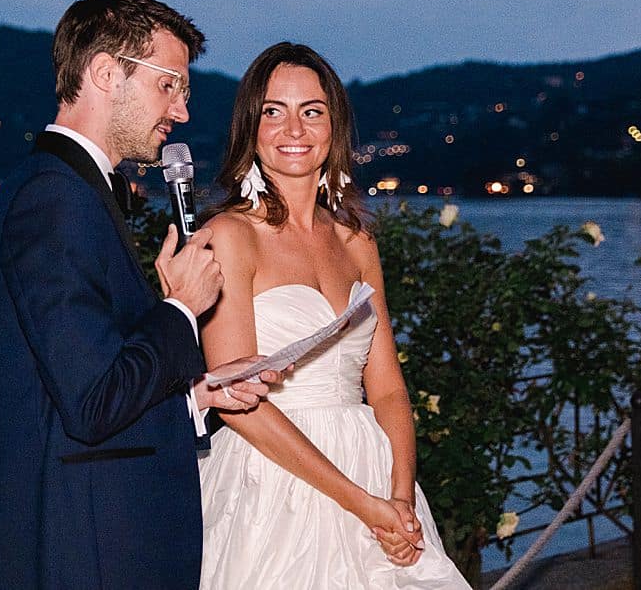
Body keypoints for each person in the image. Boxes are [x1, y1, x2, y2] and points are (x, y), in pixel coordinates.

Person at [0, 0, 282, 590]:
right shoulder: (53, 201)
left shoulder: (73, 194)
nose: (183, 111)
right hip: (78, 552)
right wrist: (179, 309)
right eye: (169, 85)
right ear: (106, 73)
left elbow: (84, 389)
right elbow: (92, 405)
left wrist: (197, 397)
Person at [196, 42, 471, 588]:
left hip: (374, 466)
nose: (293, 129)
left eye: (311, 111)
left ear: (333, 127)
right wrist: (361, 504)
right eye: (273, 111)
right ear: (251, 127)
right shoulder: (228, 236)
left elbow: (388, 389)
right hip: (272, 478)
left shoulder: (357, 241)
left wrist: (397, 498)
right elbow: (239, 406)